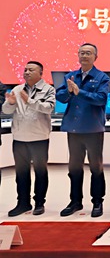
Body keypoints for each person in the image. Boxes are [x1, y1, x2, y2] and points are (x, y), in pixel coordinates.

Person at [56, 43, 110, 217]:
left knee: (96, 167)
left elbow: (101, 99)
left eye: (88, 53)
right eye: (82, 53)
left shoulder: (101, 77)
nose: (85, 56)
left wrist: (80, 92)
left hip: (93, 129)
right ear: (78, 55)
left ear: (95, 57)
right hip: (74, 129)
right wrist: (69, 91)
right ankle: (75, 201)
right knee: (74, 168)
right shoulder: (71, 76)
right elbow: (60, 97)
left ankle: (97, 202)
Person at [2, 61, 55, 216]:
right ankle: (23, 203)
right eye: (25, 70)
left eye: (31, 70)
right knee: (21, 173)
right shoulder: (17, 89)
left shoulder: (48, 89)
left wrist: (29, 101)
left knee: (40, 172)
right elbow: (6, 110)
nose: (27, 72)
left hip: (39, 137)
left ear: (40, 73)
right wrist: (10, 103)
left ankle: (39, 203)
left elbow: (49, 108)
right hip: (19, 138)